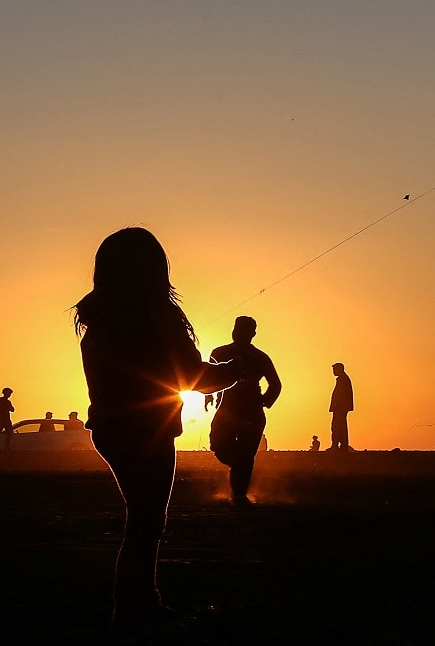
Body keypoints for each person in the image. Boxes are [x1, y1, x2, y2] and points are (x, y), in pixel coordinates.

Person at [74, 227, 240, 625]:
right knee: (147, 522)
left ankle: (136, 605)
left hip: (108, 429)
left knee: (141, 518)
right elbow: (191, 377)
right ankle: (136, 608)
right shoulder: (157, 316)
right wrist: (233, 372)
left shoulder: (98, 320)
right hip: (148, 430)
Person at [207, 316, 282, 505]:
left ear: (253, 334)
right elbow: (207, 377)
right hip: (228, 410)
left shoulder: (261, 357)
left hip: (251, 411)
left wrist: (264, 401)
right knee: (220, 446)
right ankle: (238, 479)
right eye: (237, 329)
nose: (239, 333)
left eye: (244, 330)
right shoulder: (220, 353)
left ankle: (239, 494)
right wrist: (208, 395)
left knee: (246, 455)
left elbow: (275, 384)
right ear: (233, 330)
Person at [329, 362, 354, 451]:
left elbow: (340, 395)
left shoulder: (342, 379)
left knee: (338, 426)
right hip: (340, 408)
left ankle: (337, 446)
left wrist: (337, 406)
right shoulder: (343, 379)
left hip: (340, 408)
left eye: (334, 369)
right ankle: (339, 445)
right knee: (338, 426)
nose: (333, 371)